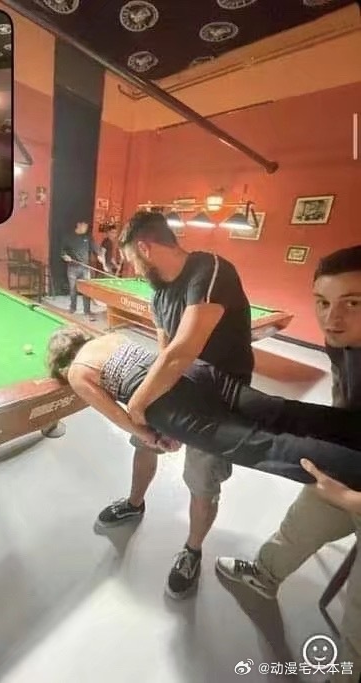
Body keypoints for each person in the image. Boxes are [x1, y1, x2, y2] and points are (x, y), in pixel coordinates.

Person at [216, 245, 361, 683]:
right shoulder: (344, 341)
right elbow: (345, 413)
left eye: (353, 303)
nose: (332, 319)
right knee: (301, 522)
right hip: (353, 464)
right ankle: (263, 577)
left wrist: (352, 500)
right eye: (322, 302)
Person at [92, 211, 254, 599]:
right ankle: (135, 503)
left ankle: (192, 551)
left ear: (145, 247)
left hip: (220, 398)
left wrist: (137, 404)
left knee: (202, 479)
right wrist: (154, 407)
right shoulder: (158, 295)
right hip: (181, 386)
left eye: (132, 259)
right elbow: (165, 351)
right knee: (143, 441)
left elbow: (183, 351)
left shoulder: (210, 270)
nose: (133, 269)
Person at [46, 327, 361, 487]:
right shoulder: (109, 337)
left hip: (167, 402)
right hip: (192, 370)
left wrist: (153, 437)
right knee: (279, 410)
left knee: (266, 446)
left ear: (61, 361)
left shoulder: (77, 372)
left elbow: (120, 416)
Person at [61, 221, 104, 319]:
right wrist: (65, 256)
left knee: (86, 290)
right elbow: (62, 251)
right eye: (84, 226)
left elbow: (95, 248)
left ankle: (87, 311)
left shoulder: (88, 237)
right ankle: (72, 308)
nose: (86, 228)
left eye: (87, 226)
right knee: (73, 289)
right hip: (72, 268)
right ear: (78, 225)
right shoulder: (68, 237)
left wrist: (99, 256)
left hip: (85, 268)